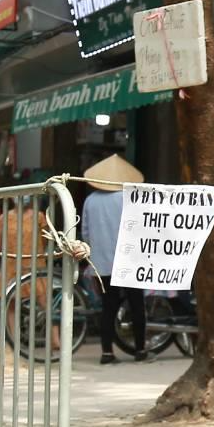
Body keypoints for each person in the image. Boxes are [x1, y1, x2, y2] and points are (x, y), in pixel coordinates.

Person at [82, 153, 147, 365]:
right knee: (136, 305)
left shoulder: (90, 201)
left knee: (108, 307)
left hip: (102, 264)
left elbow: (86, 233)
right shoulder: (128, 198)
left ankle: (107, 352)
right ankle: (140, 349)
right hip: (129, 261)